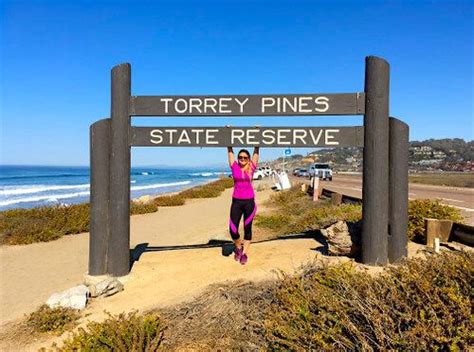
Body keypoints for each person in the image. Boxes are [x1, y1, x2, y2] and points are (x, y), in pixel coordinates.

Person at [227, 146, 259, 265]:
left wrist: (257, 142)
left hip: (249, 202)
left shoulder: (251, 167)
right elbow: (230, 152)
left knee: (247, 228)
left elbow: (256, 152)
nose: (242, 159)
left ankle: (244, 253)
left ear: (249, 159)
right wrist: (228, 141)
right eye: (240, 157)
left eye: (245, 157)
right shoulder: (234, 166)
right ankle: (238, 248)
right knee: (233, 229)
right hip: (236, 202)